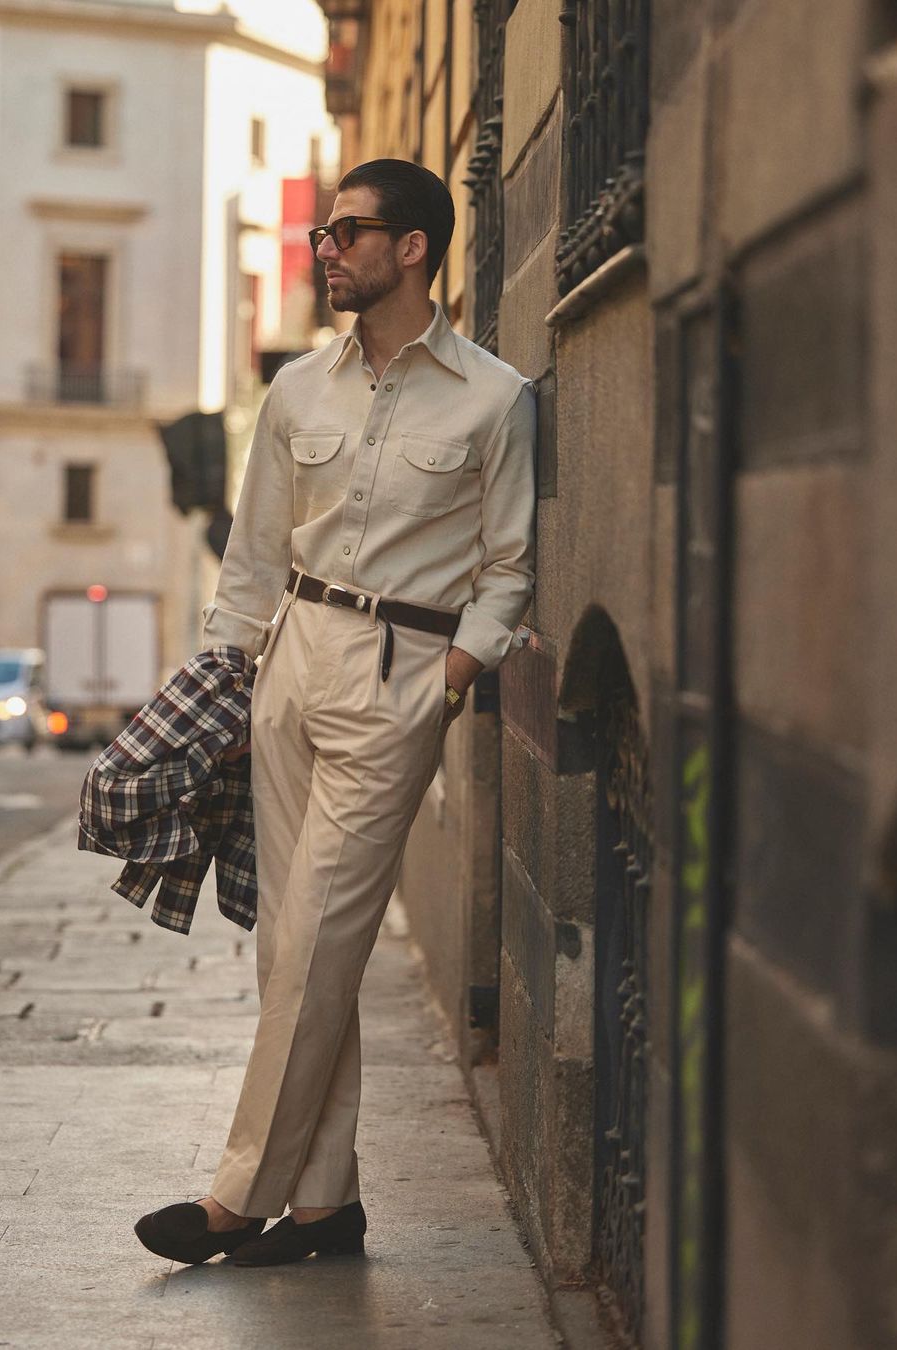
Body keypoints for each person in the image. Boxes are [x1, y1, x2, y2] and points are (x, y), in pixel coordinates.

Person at [134, 158, 536, 1268]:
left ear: (412, 248)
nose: (326, 251)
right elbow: (255, 552)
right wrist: (229, 677)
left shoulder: (497, 398)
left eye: (348, 233)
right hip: (290, 668)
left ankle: (236, 1197)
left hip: (398, 675)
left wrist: (445, 683)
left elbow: (507, 569)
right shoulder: (297, 390)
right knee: (296, 949)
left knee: (316, 942)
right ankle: (326, 1205)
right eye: (324, 233)